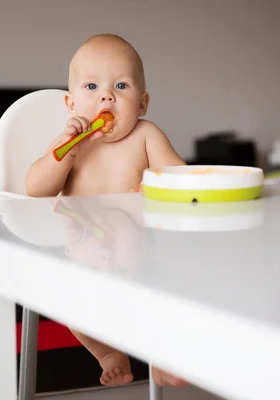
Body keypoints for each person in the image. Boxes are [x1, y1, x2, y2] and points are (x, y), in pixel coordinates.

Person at [25, 33, 187, 387]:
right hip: (84, 260)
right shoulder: (70, 146)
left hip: (141, 259)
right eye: (92, 85)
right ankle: (107, 353)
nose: (106, 95)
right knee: (71, 308)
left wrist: (156, 185)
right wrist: (63, 154)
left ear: (142, 103)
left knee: (165, 298)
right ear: (70, 104)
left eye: (121, 85)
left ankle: (161, 356)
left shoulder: (146, 136)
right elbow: (36, 190)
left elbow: (182, 177)